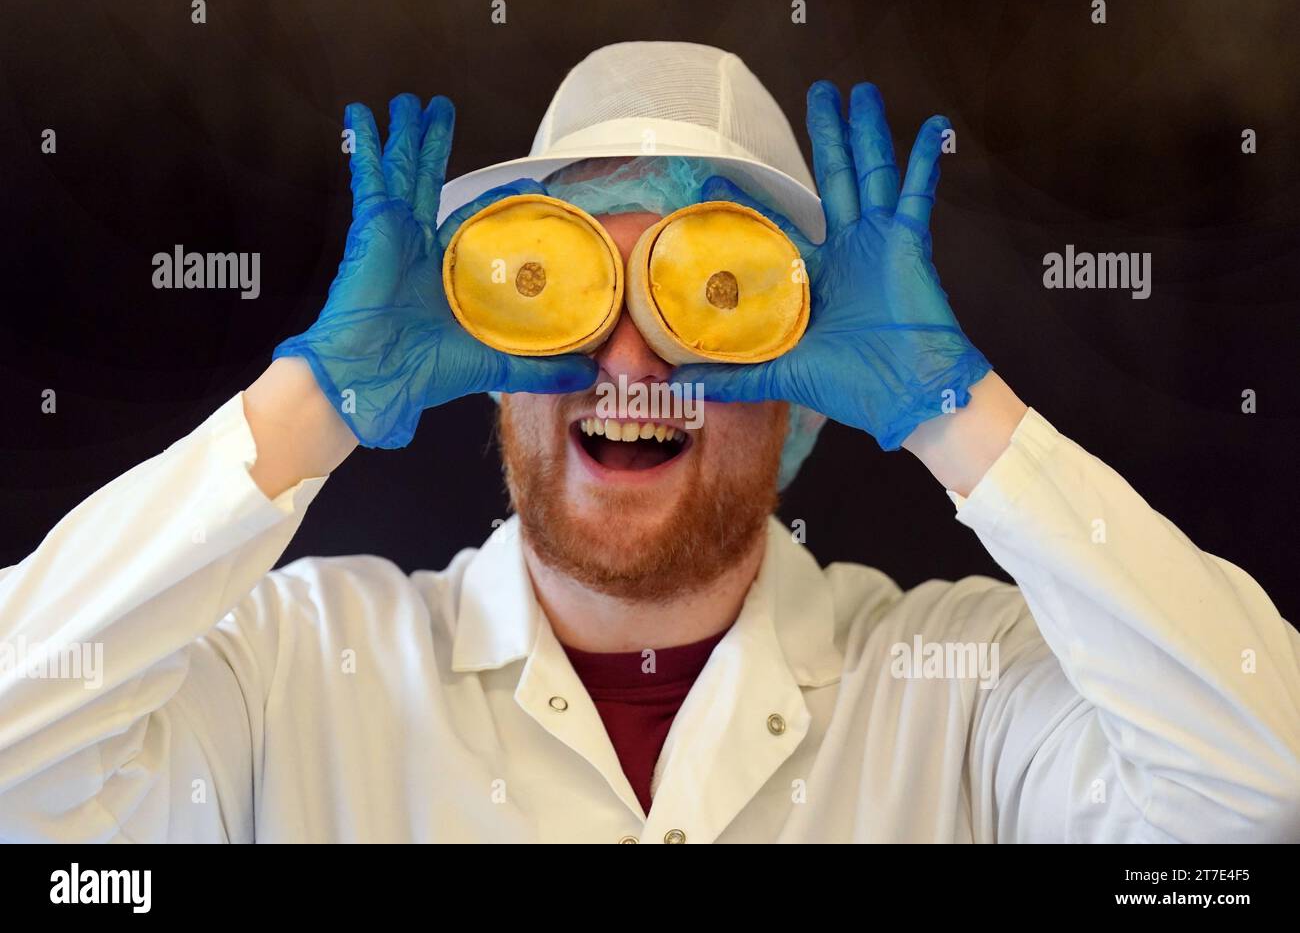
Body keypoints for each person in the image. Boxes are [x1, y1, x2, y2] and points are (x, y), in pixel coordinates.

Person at [0, 42, 1296, 844]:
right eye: (563, 295)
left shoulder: (957, 687)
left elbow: (1260, 786)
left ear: (810, 384)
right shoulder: (298, 668)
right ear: (488, 352)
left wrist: (962, 416)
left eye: (713, 300)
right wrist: (307, 406)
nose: (633, 359)